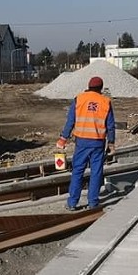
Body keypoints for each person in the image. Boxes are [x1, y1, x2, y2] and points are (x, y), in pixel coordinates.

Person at [56, 76, 116, 211]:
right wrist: (111, 143)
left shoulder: (79, 99)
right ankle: (93, 203)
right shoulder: (106, 102)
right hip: (98, 143)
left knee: (77, 171)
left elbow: (70, 121)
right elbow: (110, 126)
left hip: (82, 142)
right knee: (96, 173)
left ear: (88, 86)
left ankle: (72, 203)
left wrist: (63, 139)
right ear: (101, 88)